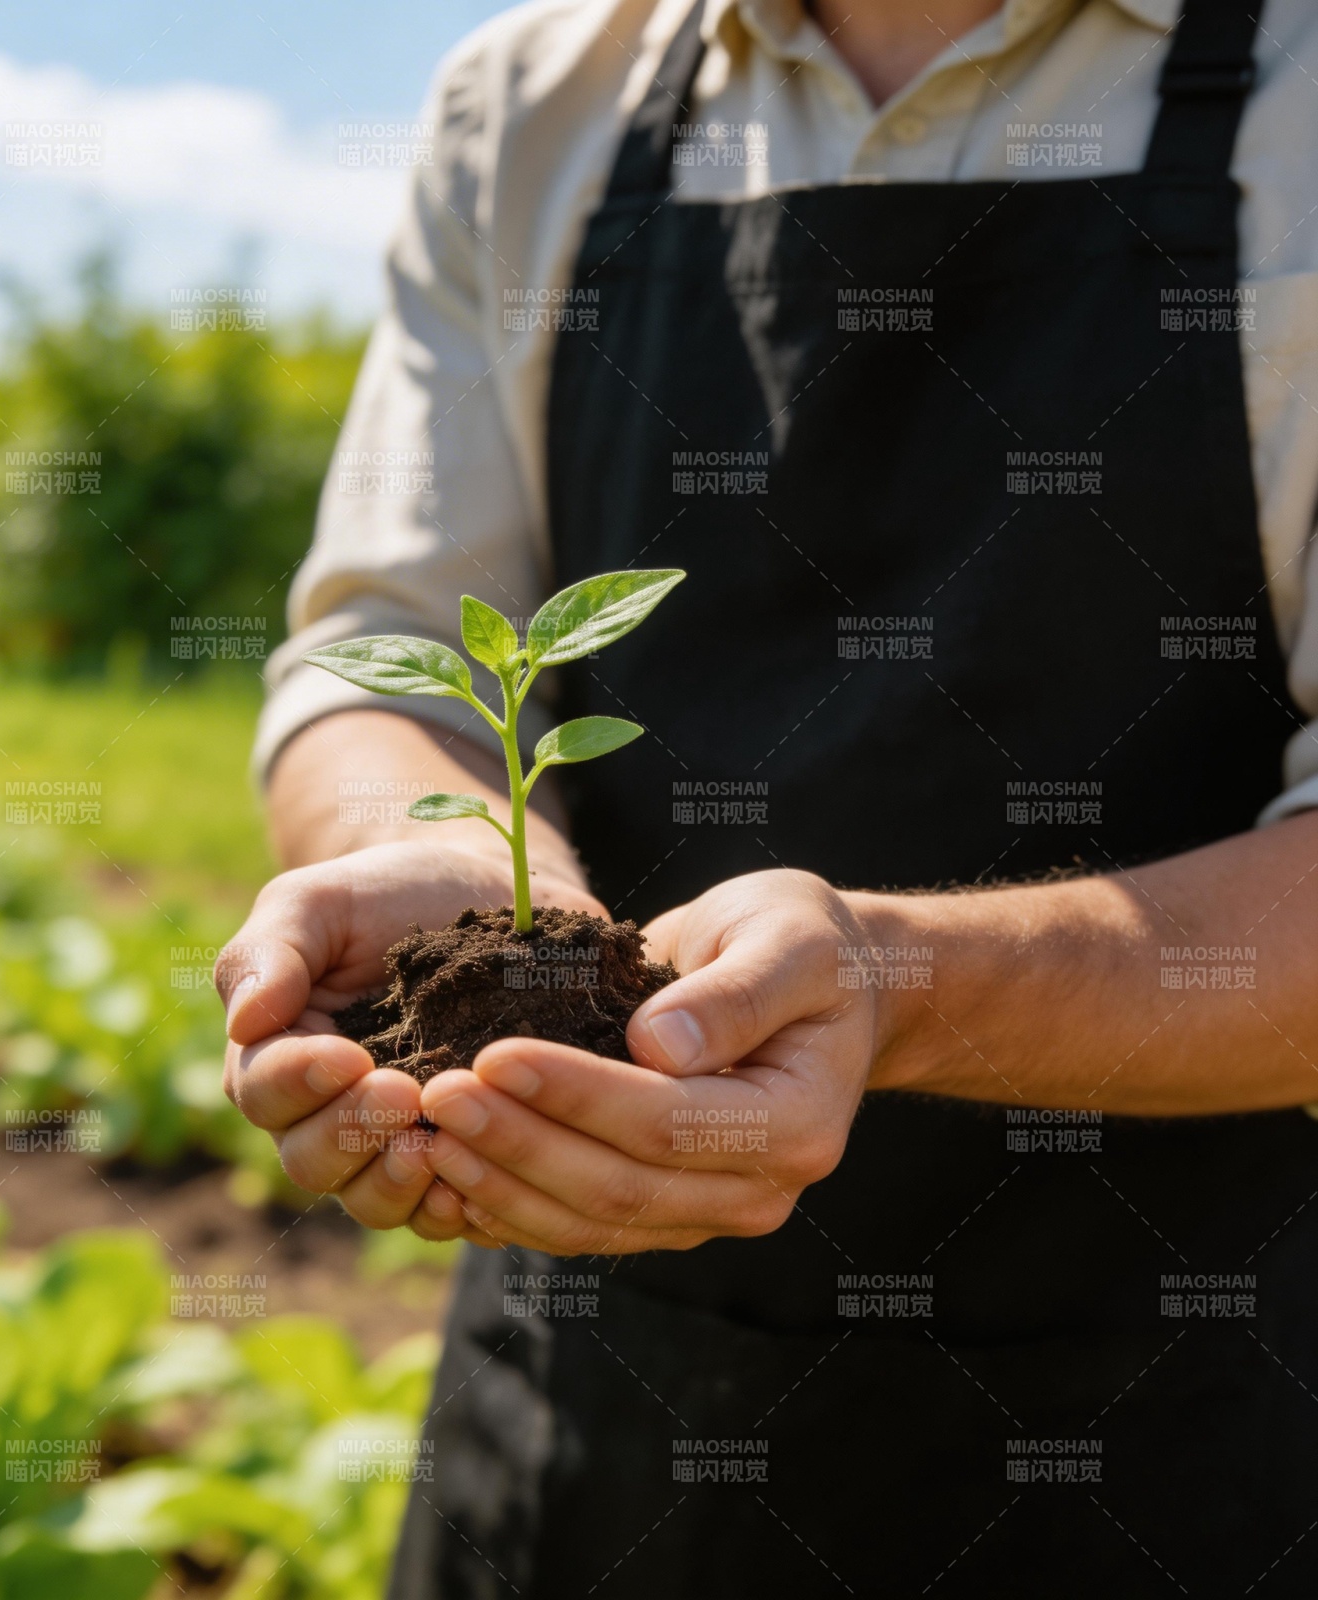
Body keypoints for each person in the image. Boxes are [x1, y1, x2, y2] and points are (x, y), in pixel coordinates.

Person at [217, 0, 1318, 1592]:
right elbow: (378, 647)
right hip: (598, 1400)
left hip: (1197, 1410)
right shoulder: (535, 99)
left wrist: (897, 984)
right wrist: (442, 865)